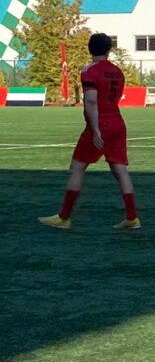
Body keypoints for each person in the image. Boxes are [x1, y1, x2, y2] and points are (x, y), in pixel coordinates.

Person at [39, 33, 141, 229]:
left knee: (77, 167)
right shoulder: (118, 71)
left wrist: (95, 130)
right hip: (117, 122)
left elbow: (92, 101)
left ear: (89, 48)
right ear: (109, 49)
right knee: (120, 171)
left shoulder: (89, 71)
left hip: (101, 123)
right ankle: (132, 217)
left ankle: (64, 217)